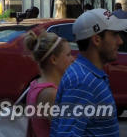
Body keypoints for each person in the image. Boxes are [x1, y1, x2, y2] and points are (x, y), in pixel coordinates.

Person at [51, 8, 127, 136]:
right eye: (114, 34)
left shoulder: (89, 76)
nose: (120, 41)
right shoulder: (83, 81)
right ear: (96, 40)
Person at [23, 31, 74, 137]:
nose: (72, 59)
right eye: (68, 55)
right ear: (54, 59)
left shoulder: (35, 85)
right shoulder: (51, 94)